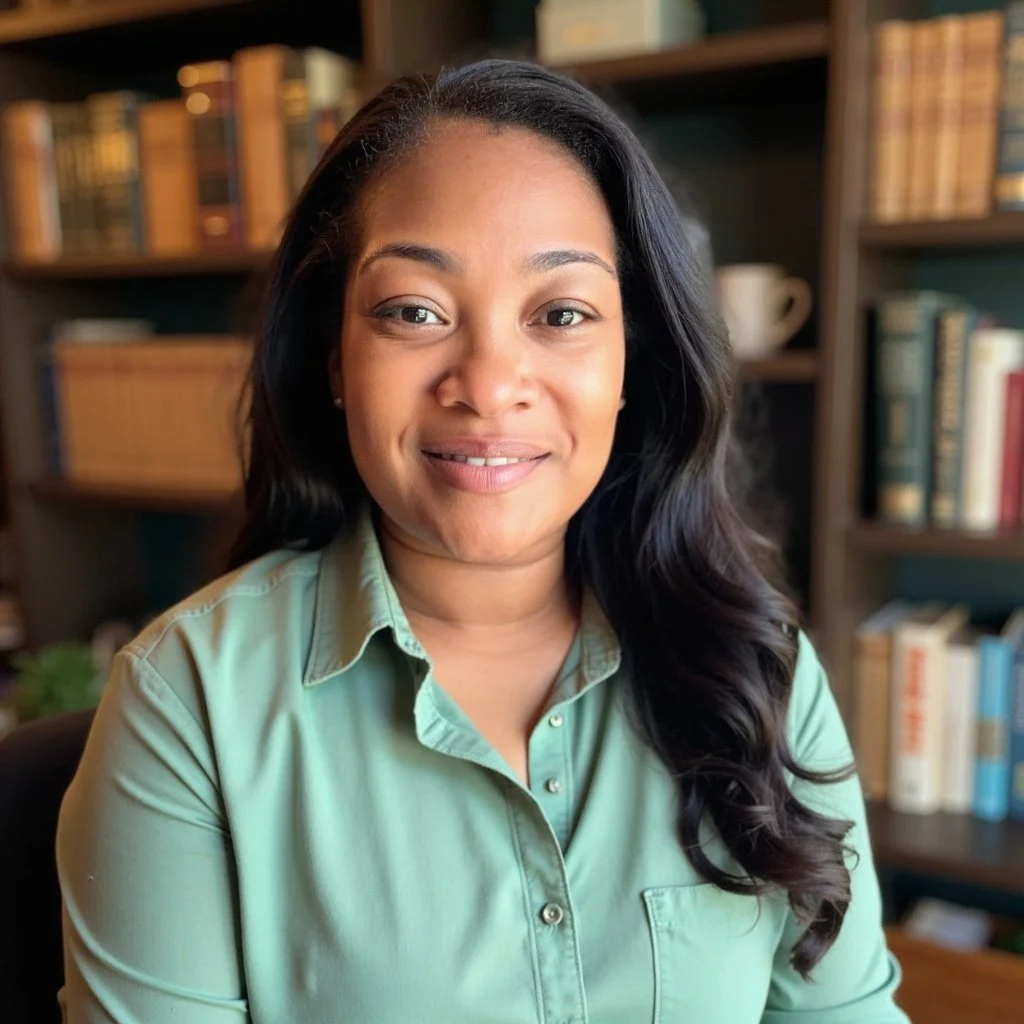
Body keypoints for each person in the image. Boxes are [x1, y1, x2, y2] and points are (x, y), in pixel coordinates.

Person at [55, 59, 909, 1023]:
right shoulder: (191, 703)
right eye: (415, 311)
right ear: (336, 356)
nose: (490, 383)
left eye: (562, 315)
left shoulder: (762, 674)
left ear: (635, 361)